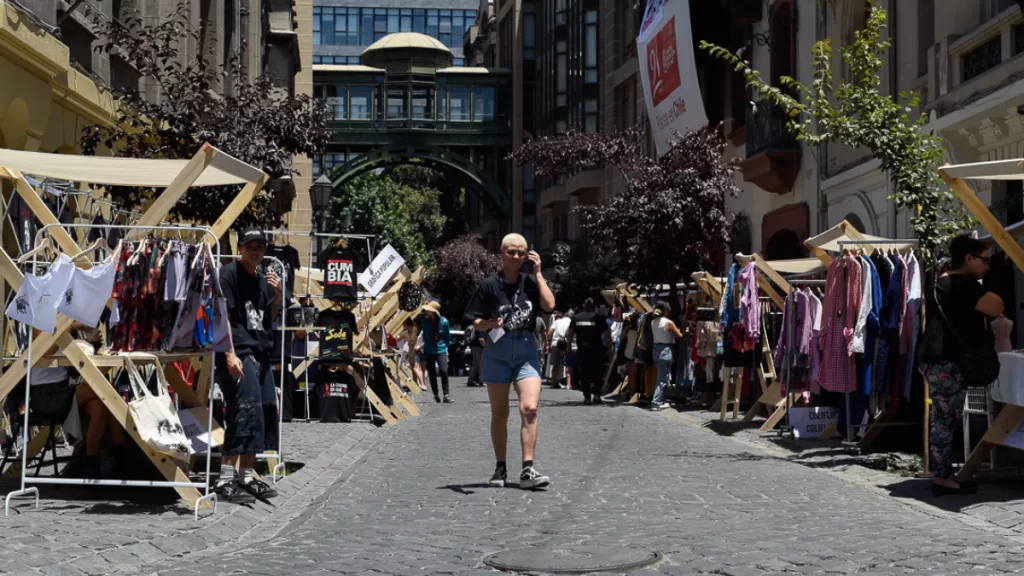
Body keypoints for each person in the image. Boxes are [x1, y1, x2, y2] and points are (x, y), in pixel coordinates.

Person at [465, 233, 555, 489]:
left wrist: (539, 274)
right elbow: (473, 319)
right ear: (502, 253)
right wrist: (489, 324)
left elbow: (549, 305)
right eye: (511, 252)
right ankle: (500, 467)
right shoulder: (489, 285)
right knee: (500, 413)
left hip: (527, 349)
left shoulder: (531, 282)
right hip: (498, 351)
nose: (516, 256)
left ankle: (528, 469)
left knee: (530, 408)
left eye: (521, 252)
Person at [922, 234, 1003, 496]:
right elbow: (996, 307)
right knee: (945, 420)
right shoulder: (961, 284)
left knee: (943, 418)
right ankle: (942, 478)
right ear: (968, 258)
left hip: (935, 360)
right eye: (983, 260)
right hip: (948, 361)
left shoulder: (940, 283)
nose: (987, 266)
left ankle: (944, 473)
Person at [215, 228, 283, 503]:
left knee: (262, 411)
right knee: (242, 412)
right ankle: (224, 479)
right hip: (240, 353)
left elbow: (268, 319)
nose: (255, 251)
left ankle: (246, 476)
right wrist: (230, 355)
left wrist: (278, 295)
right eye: (250, 246)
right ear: (240, 248)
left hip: (260, 352)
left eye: (260, 246)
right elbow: (223, 318)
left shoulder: (263, 280)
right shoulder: (228, 274)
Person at [565, 298, 614, 404]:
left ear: (584, 305)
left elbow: (570, 334)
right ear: (594, 306)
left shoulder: (576, 318)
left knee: (584, 373)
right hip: (597, 349)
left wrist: (568, 347)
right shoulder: (600, 318)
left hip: (582, 349)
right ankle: (596, 395)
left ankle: (587, 397)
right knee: (598, 373)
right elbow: (607, 336)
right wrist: (609, 349)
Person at [650, 301, 684, 411]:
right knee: (662, 378)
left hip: (656, 349)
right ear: (666, 311)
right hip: (665, 349)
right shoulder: (668, 323)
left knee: (661, 377)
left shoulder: (653, 322)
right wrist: (686, 331)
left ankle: (660, 400)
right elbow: (680, 336)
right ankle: (657, 402)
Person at [422, 301, 453, 403]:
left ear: (434, 311)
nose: (427, 312)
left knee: (444, 371)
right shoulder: (425, 322)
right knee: (432, 373)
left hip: (441, 350)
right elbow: (425, 336)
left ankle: (446, 395)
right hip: (429, 350)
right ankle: (435, 395)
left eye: (429, 310)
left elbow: (447, 337)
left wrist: (445, 347)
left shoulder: (444, 322)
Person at [547, 312, 570, 388]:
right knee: (567, 365)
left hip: (555, 344)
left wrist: (548, 343)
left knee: (555, 365)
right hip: (566, 344)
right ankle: (568, 384)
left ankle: (553, 383)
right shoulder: (570, 322)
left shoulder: (557, 321)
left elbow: (549, 332)